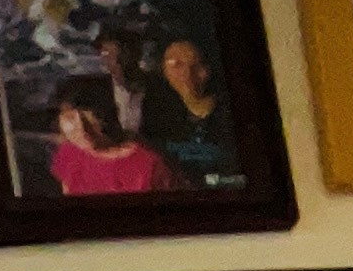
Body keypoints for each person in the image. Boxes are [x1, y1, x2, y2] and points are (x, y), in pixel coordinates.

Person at [48, 83, 173, 196]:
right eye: (70, 117)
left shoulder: (147, 165)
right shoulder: (69, 153)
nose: (81, 128)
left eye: (90, 118)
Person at [151, 36, 239, 187]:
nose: (187, 74)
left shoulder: (232, 115)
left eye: (196, 65)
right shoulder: (159, 119)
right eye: (176, 65)